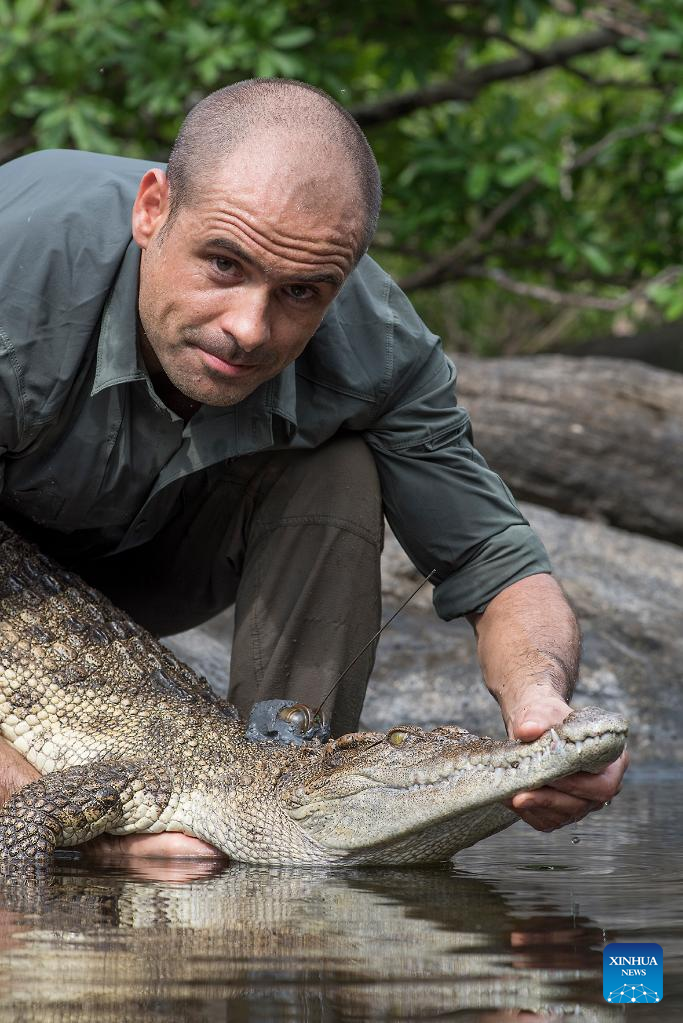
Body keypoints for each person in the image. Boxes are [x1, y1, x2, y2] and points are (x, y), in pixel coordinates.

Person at [0, 78, 627, 859]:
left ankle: (272, 790)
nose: (248, 329)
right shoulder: (16, 272)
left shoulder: (379, 342)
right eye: (224, 264)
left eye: (301, 292)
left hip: (147, 561)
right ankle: (171, 831)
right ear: (152, 208)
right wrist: (64, 817)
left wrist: (541, 706)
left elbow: (499, 568)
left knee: (339, 467)